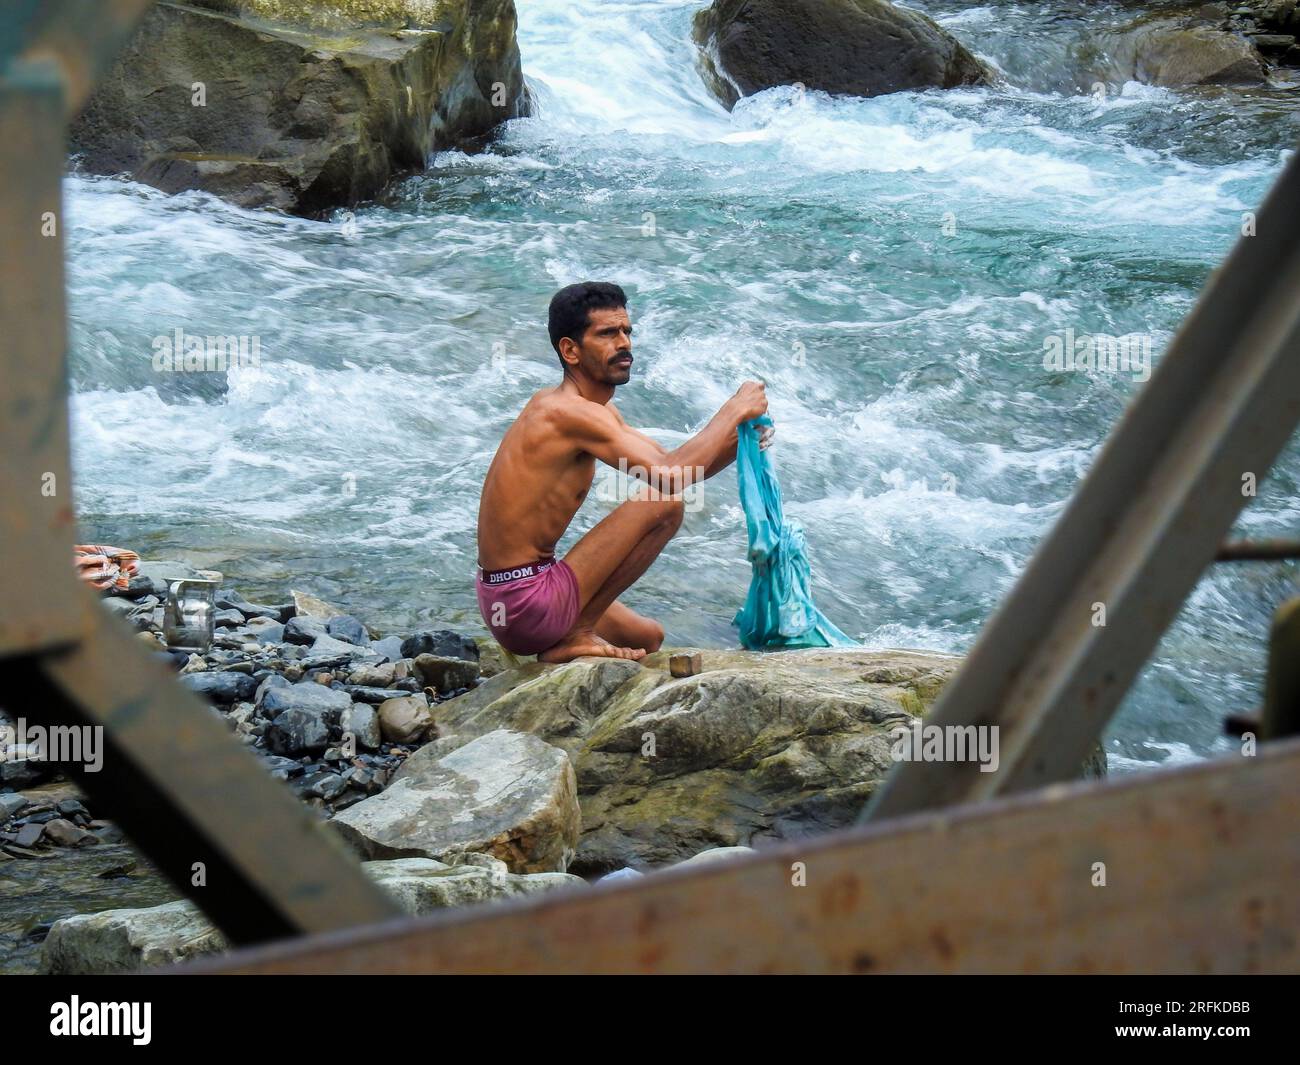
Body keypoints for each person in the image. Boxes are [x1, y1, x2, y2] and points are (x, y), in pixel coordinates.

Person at [475, 280, 772, 663]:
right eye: (607, 334)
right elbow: (669, 479)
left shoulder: (586, 410)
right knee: (664, 504)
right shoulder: (565, 413)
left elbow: (673, 463)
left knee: (648, 637)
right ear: (570, 350)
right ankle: (574, 634)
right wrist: (733, 409)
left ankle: (573, 630)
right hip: (525, 602)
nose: (624, 343)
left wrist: (739, 442)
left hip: (509, 600)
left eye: (627, 332)